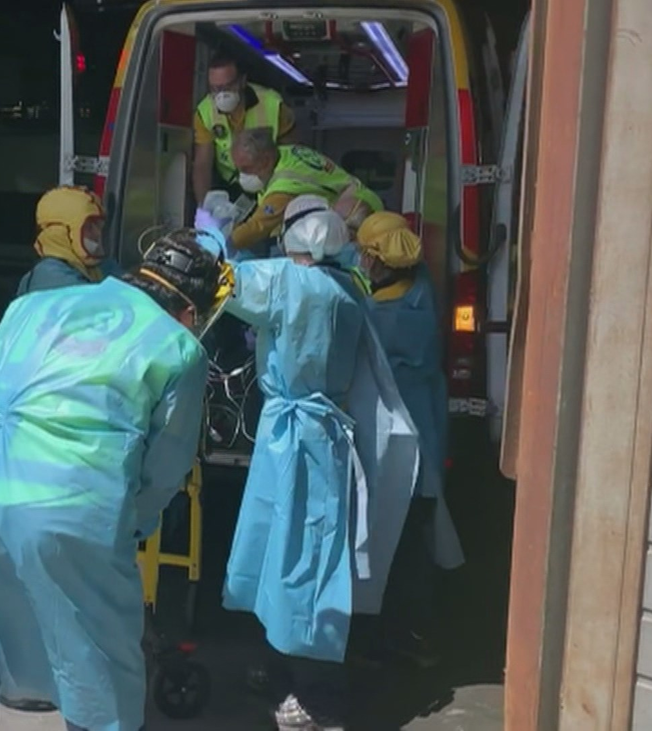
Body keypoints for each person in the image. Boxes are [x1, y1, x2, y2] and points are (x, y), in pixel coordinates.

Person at [0, 230, 224, 731]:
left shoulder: (34, 307)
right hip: (73, 508)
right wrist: (128, 524)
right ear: (191, 310)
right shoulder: (179, 347)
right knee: (99, 672)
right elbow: (165, 465)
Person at [221, 198, 421, 731]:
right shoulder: (346, 287)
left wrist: (221, 232)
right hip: (309, 435)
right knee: (284, 555)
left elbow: (223, 282)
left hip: (300, 440)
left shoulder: (293, 283)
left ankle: (319, 697)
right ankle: (281, 664)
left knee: (303, 565)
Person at [354, 211, 465, 668]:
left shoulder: (389, 318)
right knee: (414, 537)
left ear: (378, 261)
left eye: (363, 252)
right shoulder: (420, 289)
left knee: (399, 548)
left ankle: (402, 636)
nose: (357, 258)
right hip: (429, 433)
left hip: (403, 447)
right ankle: (408, 631)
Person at [225, 129, 384, 254]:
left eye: (246, 169)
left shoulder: (285, 185)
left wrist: (222, 243)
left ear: (266, 160)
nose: (242, 176)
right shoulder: (286, 152)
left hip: (358, 214)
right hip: (359, 198)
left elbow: (258, 226)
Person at [192, 53, 296, 205]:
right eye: (215, 88)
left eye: (228, 87)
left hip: (269, 182)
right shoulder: (205, 112)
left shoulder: (273, 106)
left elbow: (292, 156)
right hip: (230, 185)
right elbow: (202, 165)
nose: (222, 94)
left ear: (242, 81)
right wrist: (204, 208)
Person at [16, 186, 110, 296]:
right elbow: (96, 304)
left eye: (99, 226)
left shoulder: (93, 267)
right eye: (89, 227)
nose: (98, 233)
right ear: (60, 233)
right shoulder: (50, 275)